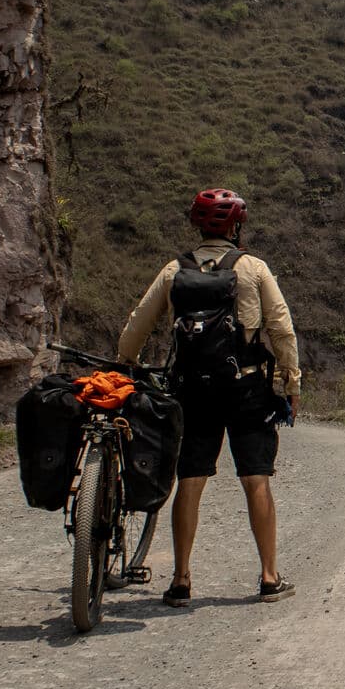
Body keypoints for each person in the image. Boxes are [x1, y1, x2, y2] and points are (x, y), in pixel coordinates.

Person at [116, 188, 301, 606]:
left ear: (197, 225)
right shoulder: (253, 268)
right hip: (247, 388)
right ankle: (269, 577)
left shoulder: (173, 271)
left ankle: (181, 580)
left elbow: (136, 327)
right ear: (236, 227)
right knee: (256, 478)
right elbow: (282, 329)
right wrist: (292, 383)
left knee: (191, 479)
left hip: (192, 389)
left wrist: (125, 360)